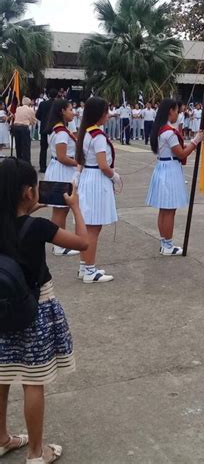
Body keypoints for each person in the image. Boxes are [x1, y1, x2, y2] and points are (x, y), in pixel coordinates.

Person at [0, 157, 88, 464]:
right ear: (28, 192)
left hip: (2, 308)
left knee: (2, 375)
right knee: (31, 380)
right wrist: (74, 206)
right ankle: (36, 453)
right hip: (33, 308)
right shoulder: (38, 227)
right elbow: (83, 243)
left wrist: (27, 210)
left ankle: (1, 439)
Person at [146, 98, 203, 256]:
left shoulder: (160, 129)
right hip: (170, 168)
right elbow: (182, 153)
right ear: (170, 111)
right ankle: (168, 244)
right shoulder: (168, 133)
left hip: (163, 166)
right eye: (177, 111)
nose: (178, 114)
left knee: (164, 210)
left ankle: (165, 242)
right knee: (169, 210)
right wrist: (195, 141)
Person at [76, 97, 119, 283]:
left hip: (88, 177)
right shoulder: (98, 136)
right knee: (93, 228)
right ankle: (90, 271)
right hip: (97, 180)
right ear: (98, 114)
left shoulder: (86, 132)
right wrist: (114, 176)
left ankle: (84, 266)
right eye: (105, 112)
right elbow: (103, 165)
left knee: (88, 227)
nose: (108, 115)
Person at [44, 99, 81, 257]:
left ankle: (59, 243)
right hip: (62, 170)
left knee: (61, 209)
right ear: (62, 111)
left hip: (61, 170)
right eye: (70, 109)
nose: (73, 112)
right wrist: (78, 163)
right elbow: (62, 157)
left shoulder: (60, 130)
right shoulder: (60, 132)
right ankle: (58, 245)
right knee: (60, 210)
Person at [10, 97, 37, 164]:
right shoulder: (30, 110)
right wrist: (29, 122)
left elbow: (11, 111)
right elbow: (33, 121)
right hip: (24, 128)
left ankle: (19, 162)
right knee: (26, 147)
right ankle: (26, 163)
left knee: (18, 146)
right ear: (29, 103)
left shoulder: (18, 108)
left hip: (16, 127)